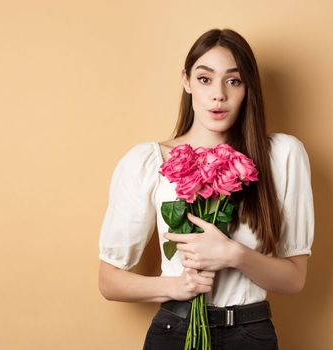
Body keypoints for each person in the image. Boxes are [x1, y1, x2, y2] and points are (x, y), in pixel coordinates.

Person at [97, 28, 314, 350]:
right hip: (175, 329)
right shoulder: (147, 161)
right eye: (204, 79)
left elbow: (294, 279)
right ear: (186, 81)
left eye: (233, 81)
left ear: (247, 87)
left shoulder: (282, 155)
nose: (218, 95)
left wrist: (233, 254)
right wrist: (176, 286)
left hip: (250, 334)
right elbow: (109, 281)